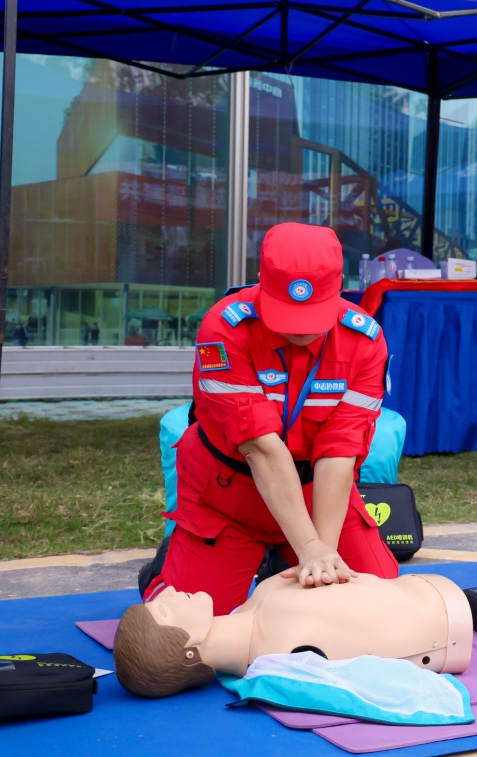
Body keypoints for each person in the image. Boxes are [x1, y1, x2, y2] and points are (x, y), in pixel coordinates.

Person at [140, 222, 397, 616]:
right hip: (228, 498)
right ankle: (165, 570)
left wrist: (321, 557)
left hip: (317, 495)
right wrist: (308, 548)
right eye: (288, 312)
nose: (301, 329)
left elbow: (339, 451)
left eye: (312, 313)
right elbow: (259, 448)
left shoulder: (365, 339)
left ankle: (284, 558)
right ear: (261, 280)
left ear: (340, 287)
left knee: (376, 610)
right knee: (188, 628)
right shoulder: (224, 329)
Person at [114, 572, 472, 698]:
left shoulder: (257, 608)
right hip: (445, 618)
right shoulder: (282, 651)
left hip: (428, 596)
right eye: (164, 610)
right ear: (189, 650)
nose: (169, 592)